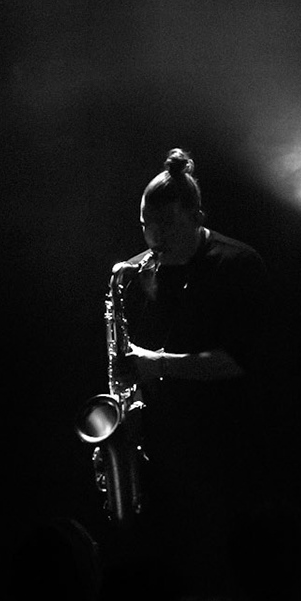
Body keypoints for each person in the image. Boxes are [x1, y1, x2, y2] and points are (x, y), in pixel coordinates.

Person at [117, 148, 273, 577]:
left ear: (197, 216)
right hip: (153, 452)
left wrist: (158, 364)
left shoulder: (237, 264)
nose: (154, 237)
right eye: (147, 225)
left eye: (167, 225)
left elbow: (237, 361)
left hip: (219, 456)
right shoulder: (133, 273)